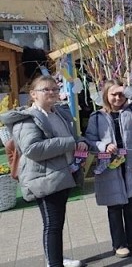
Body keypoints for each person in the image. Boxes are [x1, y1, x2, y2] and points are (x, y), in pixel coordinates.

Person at [0, 75, 86, 267]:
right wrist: (70, 143)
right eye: (45, 89)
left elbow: (72, 137)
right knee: (52, 225)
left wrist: (80, 141)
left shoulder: (59, 113)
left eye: (55, 89)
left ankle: (56, 259)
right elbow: (32, 149)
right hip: (43, 179)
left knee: (57, 224)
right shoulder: (27, 119)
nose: (51, 92)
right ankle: (54, 264)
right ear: (33, 94)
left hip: (62, 174)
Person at [85, 80, 132, 258]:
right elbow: (89, 141)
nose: (117, 98)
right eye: (113, 94)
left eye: (120, 94)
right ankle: (119, 243)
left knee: (131, 205)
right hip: (109, 167)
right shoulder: (97, 117)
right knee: (114, 208)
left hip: (130, 166)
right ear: (106, 96)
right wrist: (103, 145)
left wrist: (128, 90)